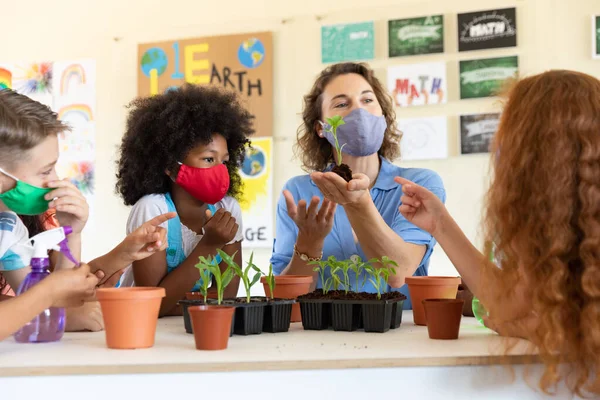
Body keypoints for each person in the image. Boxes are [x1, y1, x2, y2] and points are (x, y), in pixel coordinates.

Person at [395, 70, 600, 397]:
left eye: (509, 134)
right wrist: (440, 224)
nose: (499, 149)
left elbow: (574, 334)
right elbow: (508, 303)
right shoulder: (552, 226)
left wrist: (523, 326)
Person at [270, 62, 446, 308]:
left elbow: (398, 274)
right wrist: (308, 245)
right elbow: (283, 298)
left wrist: (358, 202)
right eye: (342, 104)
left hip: (400, 337)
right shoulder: (298, 192)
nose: (358, 112)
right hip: (318, 338)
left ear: (383, 117)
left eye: (367, 100)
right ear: (321, 128)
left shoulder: (418, 185)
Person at [0, 88, 174, 332]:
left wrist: (72, 231)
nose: (56, 179)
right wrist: (57, 310)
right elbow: (42, 301)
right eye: (45, 171)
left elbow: (53, 300)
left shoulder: (7, 229)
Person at [115, 84, 253, 316]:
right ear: (171, 167)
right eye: (209, 159)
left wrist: (179, 302)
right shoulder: (153, 209)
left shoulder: (227, 208)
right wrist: (209, 245)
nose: (220, 169)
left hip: (190, 329)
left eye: (224, 161)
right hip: (142, 328)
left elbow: (226, 297)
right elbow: (154, 306)